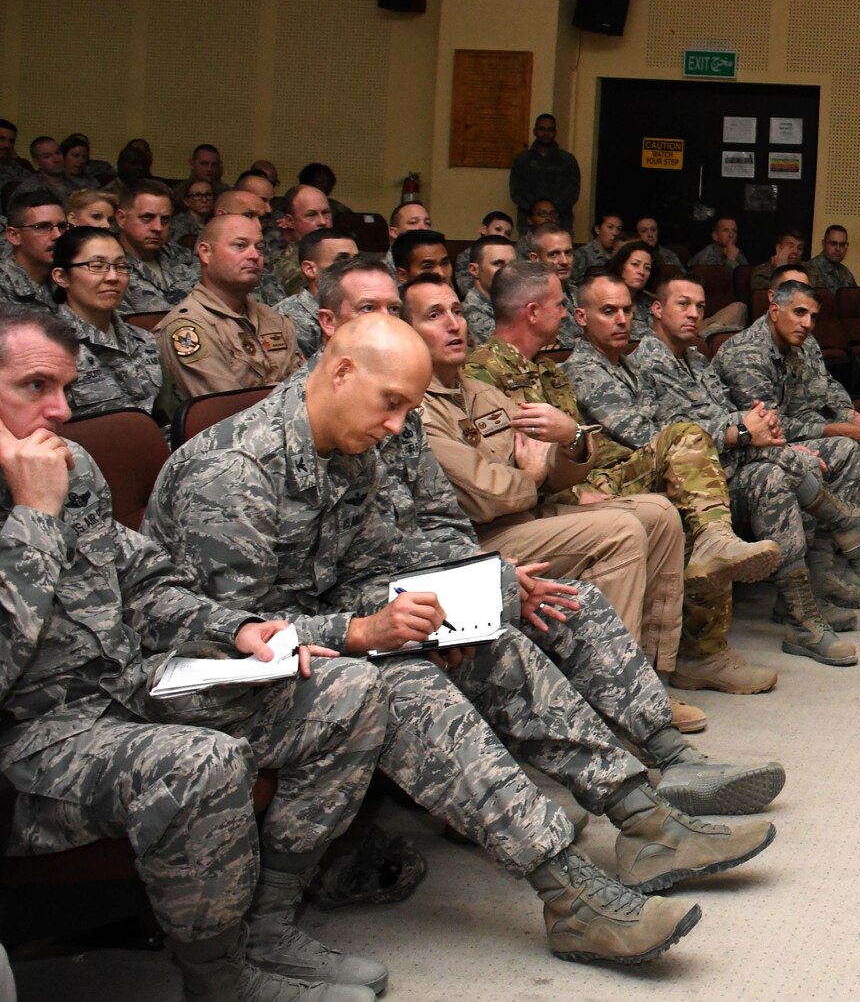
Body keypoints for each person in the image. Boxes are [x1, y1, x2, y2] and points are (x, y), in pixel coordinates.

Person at [145, 317, 770, 966]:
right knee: (407, 682)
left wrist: (459, 600)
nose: (397, 428)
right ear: (339, 372)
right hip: (215, 677)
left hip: (313, 631)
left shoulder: (355, 440)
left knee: (491, 631)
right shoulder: (233, 473)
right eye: (390, 404)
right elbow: (227, 635)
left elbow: (370, 558)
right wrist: (365, 633)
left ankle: (642, 814)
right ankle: (569, 892)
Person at [0, 305, 391, 1001]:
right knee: (202, 765)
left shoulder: (67, 462)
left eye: (65, 387)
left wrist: (238, 628)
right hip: (34, 740)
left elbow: (145, 583)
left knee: (345, 688)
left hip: (128, 685)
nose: (61, 409)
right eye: (35, 387)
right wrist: (32, 517)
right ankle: (221, 978)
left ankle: (269, 924)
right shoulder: (40, 482)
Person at [406, 274, 744, 730]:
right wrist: (533, 474)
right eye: (434, 316)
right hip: (477, 540)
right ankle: (614, 702)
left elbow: (549, 466)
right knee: (621, 530)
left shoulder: (477, 391)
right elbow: (486, 496)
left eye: (457, 311)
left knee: (659, 514)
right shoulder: (419, 406)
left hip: (528, 512)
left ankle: (647, 678)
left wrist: (570, 442)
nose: (454, 324)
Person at [464, 263, 785, 692]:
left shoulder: (548, 371)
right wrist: (579, 481)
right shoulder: (484, 374)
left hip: (587, 477)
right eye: (562, 305)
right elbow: (517, 463)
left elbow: (581, 442)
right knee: (687, 456)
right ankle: (676, 657)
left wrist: (577, 452)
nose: (565, 314)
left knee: (691, 484)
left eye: (625, 311)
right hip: (540, 504)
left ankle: (687, 652)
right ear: (533, 311)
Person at [575, 274, 860, 668]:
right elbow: (659, 433)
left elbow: (715, 414)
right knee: (781, 469)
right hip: (673, 477)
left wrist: (757, 422)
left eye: (700, 307)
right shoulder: (638, 363)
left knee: (777, 473)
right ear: (658, 311)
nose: (694, 315)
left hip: (712, 465)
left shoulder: (692, 358)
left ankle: (804, 611)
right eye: (684, 305)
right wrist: (745, 432)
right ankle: (843, 525)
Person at [717, 276, 860, 590]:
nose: (807, 323)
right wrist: (835, 428)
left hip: (806, 427)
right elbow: (770, 427)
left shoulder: (801, 343)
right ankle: (845, 563)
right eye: (799, 313)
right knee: (846, 447)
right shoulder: (746, 354)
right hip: (757, 448)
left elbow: (827, 388)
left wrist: (851, 414)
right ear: (773, 309)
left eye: (812, 316)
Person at [155, 213, 301, 410]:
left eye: (260, 248)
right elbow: (228, 412)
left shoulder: (275, 319)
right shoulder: (188, 328)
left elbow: (306, 390)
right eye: (240, 246)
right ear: (206, 253)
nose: (254, 256)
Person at [50, 227, 165, 420]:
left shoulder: (144, 340)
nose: (113, 277)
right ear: (61, 277)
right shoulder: (47, 345)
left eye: (121, 266)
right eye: (96, 266)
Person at [273, 230, 361, 362]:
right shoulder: (285, 319)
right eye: (341, 260)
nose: (355, 268)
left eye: (356, 260)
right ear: (310, 269)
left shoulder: (365, 309)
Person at [118, 178, 197, 314]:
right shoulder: (106, 267)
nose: (158, 228)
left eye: (165, 219)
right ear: (121, 219)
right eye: (147, 217)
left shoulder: (184, 257)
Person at [521, 220, 584, 351]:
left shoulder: (580, 293)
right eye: (554, 254)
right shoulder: (527, 300)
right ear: (535, 258)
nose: (564, 261)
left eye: (568, 253)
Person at [511, 114, 581, 230]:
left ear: (555, 132)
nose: (546, 133)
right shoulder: (522, 159)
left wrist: (551, 212)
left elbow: (572, 192)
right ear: (534, 131)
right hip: (528, 222)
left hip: (561, 221)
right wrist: (537, 211)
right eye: (542, 129)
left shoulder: (567, 160)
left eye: (550, 129)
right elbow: (516, 192)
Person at [1, 188, 65, 307]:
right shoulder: (3, 287)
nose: (58, 235)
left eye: (62, 226)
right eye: (43, 227)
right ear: (14, 236)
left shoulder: (66, 279)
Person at [269, 186, 335, 297]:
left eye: (325, 213)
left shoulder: (342, 253)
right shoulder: (288, 265)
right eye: (311, 215)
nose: (323, 222)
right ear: (290, 221)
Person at [461, 234, 516, 346]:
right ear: (474, 270)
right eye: (498, 264)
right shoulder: (471, 311)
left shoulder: (510, 301)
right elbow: (513, 350)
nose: (509, 271)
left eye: (513, 264)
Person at [454, 210, 515, 293]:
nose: (502, 235)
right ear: (483, 229)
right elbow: (465, 289)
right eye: (498, 229)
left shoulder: (511, 254)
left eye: (507, 233)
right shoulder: (466, 256)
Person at [168, 175, 218, 251]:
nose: (204, 200)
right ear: (186, 201)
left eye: (208, 195)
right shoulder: (178, 223)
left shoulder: (215, 223)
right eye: (197, 195)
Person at [748, 227, 805, 292]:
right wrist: (780, 270)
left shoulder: (808, 270)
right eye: (790, 246)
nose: (795, 251)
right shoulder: (762, 272)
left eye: (800, 248)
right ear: (779, 248)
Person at [635, 216, 687, 283]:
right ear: (637, 234)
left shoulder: (668, 254)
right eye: (644, 231)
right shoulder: (632, 254)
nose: (650, 235)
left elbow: (684, 276)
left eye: (653, 230)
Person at [805, 224, 856, 291]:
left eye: (842, 245)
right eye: (833, 244)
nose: (838, 248)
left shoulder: (845, 272)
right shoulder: (810, 269)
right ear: (823, 244)